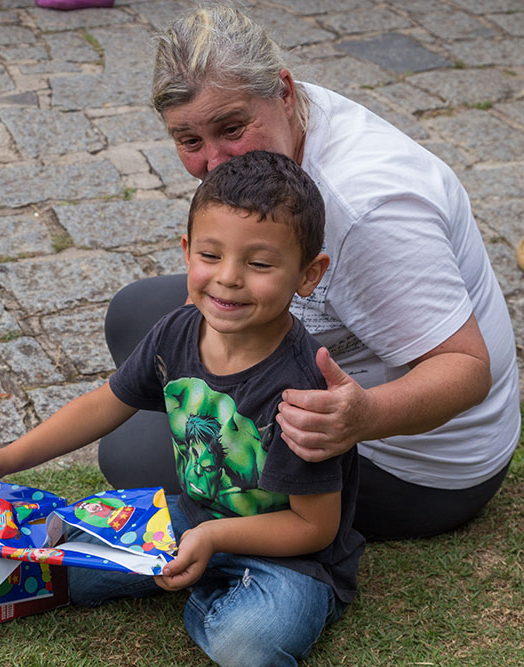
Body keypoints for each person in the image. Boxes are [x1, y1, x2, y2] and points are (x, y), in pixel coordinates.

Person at [99, 6, 519, 541]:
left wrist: (361, 415)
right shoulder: (281, 115)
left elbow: (466, 369)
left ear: (284, 91)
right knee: (135, 314)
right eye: (189, 141)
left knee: (129, 452)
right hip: (335, 374)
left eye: (231, 128)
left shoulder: (366, 210)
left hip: (425, 468)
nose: (215, 161)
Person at [0, 150, 365, 665]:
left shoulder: (302, 388)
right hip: (188, 518)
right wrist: (5, 457)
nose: (229, 278)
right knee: (64, 569)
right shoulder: (177, 331)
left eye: (258, 264)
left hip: (291, 561)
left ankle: (206, 595)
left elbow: (312, 527)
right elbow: (104, 404)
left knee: (250, 642)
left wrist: (213, 539)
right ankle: (194, 572)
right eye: (210, 256)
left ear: (308, 274)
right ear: (186, 251)